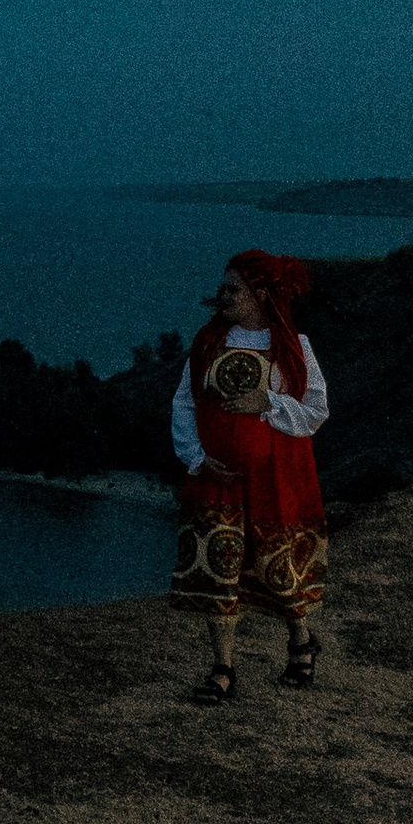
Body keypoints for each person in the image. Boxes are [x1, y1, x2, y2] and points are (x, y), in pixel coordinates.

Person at [170, 249, 329, 702]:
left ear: (262, 294)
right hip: (216, 477)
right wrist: (197, 457)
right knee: (220, 569)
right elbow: (184, 401)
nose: (222, 296)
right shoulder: (207, 342)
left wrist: (269, 404)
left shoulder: (293, 347)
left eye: (233, 288)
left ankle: (301, 639)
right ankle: (223, 669)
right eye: (223, 287)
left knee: (277, 568)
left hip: (272, 480)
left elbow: (317, 411)